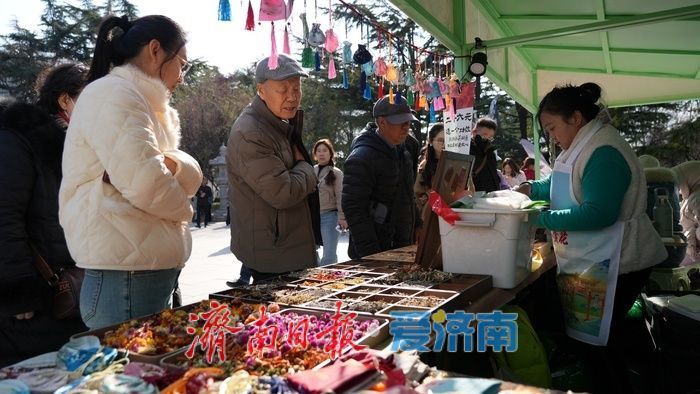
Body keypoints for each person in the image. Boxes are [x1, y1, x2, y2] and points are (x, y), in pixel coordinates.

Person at [514, 82, 666, 391]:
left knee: (601, 345)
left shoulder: (604, 150)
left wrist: (538, 218)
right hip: (596, 258)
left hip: (620, 260)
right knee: (594, 342)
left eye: (552, 127)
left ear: (577, 118)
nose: (551, 136)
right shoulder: (580, 145)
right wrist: (530, 190)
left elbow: (599, 212)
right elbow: (559, 182)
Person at [59, 15, 202, 329]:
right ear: (155, 50)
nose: (182, 76)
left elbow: (165, 173)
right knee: (134, 374)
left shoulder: (139, 100)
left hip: (136, 274)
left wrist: (180, 170)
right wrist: (186, 208)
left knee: (147, 372)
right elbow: (149, 184)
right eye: (183, 64)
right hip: (126, 280)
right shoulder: (115, 95)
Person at [0, 64, 88, 367]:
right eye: (91, 98)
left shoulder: (79, 146)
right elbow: (4, 217)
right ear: (65, 100)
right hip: (34, 299)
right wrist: (17, 292)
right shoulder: (18, 139)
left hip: (72, 292)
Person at [225, 53, 319, 285]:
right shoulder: (252, 133)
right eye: (283, 89)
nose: (292, 97)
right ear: (261, 90)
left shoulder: (277, 123)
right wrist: (307, 167)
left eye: (296, 89)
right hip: (274, 253)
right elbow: (283, 192)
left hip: (286, 247)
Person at [343, 94, 418, 259]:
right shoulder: (361, 157)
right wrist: (373, 256)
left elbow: (408, 196)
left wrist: (417, 228)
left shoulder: (404, 150)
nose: (406, 126)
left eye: (408, 121)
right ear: (382, 122)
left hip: (401, 245)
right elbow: (354, 209)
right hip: (374, 251)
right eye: (400, 122)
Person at [313, 139, 347, 266]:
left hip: (330, 217)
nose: (321, 153)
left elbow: (340, 196)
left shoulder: (336, 173)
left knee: (329, 255)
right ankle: (314, 278)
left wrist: (342, 217)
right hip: (313, 217)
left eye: (325, 150)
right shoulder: (311, 170)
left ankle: (326, 281)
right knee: (310, 252)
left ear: (330, 154)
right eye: (319, 151)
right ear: (315, 155)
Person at [414, 124, 445, 218]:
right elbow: (418, 193)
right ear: (431, 141)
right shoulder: (424, 166)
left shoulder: (458, 163)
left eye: (448, 140)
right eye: (440, 140)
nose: (444, 144)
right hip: (431, 215)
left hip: (454, 211)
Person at [470, 117, 500, 192]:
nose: (487, 139)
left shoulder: (490, 151)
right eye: (484, 135)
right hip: (475, 196)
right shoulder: (467, 149)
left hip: (493, 195)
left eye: (490, 137)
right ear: (474, 132)